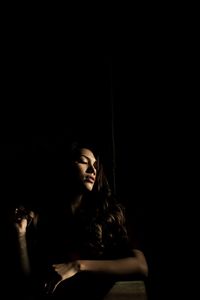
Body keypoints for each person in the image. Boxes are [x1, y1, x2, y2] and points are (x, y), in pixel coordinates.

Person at [13, 139, 148, 299]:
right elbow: (29, 282)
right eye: (83, 162)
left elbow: (140, 266)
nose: (92, 170)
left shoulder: (109, 214)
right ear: (65, 168)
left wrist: (78, 266)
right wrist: (20, 235)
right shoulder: (44, 218)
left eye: (96, 166)